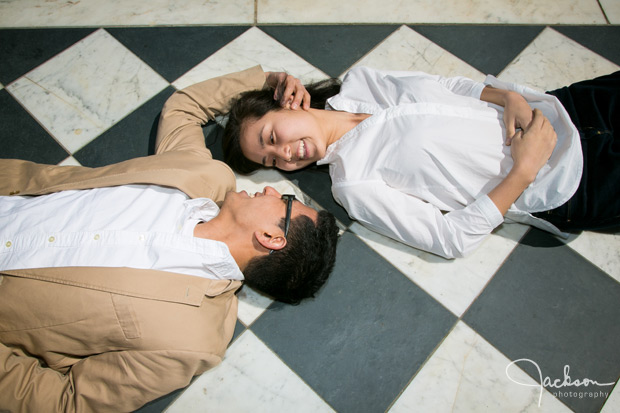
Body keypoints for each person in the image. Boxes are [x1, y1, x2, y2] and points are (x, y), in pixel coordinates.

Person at [0, 68, 339, 412]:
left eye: (284, 202)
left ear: (271, 237)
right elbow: (183, 108)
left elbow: (65, 402)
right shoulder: (206, 176)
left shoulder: (194, 338)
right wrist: (269, 84)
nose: (270, 187)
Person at [222, 66, 620, 259]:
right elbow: (449, 239)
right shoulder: (353, 185)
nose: (285, 155)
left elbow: (448, 86)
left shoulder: (361, 81)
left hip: (569, 105)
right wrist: (523, 171)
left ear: (288, 101)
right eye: (272, 160)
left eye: (273, 138)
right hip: (574, 182)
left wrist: (507, 98)